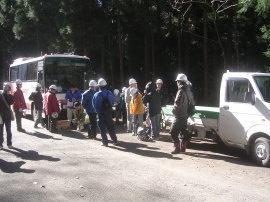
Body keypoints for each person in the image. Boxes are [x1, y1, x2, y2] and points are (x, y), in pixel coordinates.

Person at [93, 78, 119, 146]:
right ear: (105, 85)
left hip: (101, 114)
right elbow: (112, 102)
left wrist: (98, 112)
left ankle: (105, 142)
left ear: (98, 86)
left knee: (102, 129)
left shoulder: (96, 95)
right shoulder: (110, 93)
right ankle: (115, 141)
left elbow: (94, 105)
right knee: (111, 127)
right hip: (109, 114)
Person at [170, 74, 189, 154]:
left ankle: (176, 147)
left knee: (173, 132)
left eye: (177, 81)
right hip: (185, 114)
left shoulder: (180, 91)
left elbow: (177, 104)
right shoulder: (188, 91)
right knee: (182, 131)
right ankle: (183, 147)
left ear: (179, 82)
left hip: (179, 115)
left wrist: (173, 111)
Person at [0, 82, 14, 149]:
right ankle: (0, 144)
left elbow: (11, 102)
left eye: (7, 86)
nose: (5, 87)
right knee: (0, 131)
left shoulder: (10, 96)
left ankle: (9, 143)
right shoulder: (0, 95)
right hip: (1, 115)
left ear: (9, 88)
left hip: (8, 115)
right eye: (4, 86)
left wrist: (8, 95)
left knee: (8, 130)